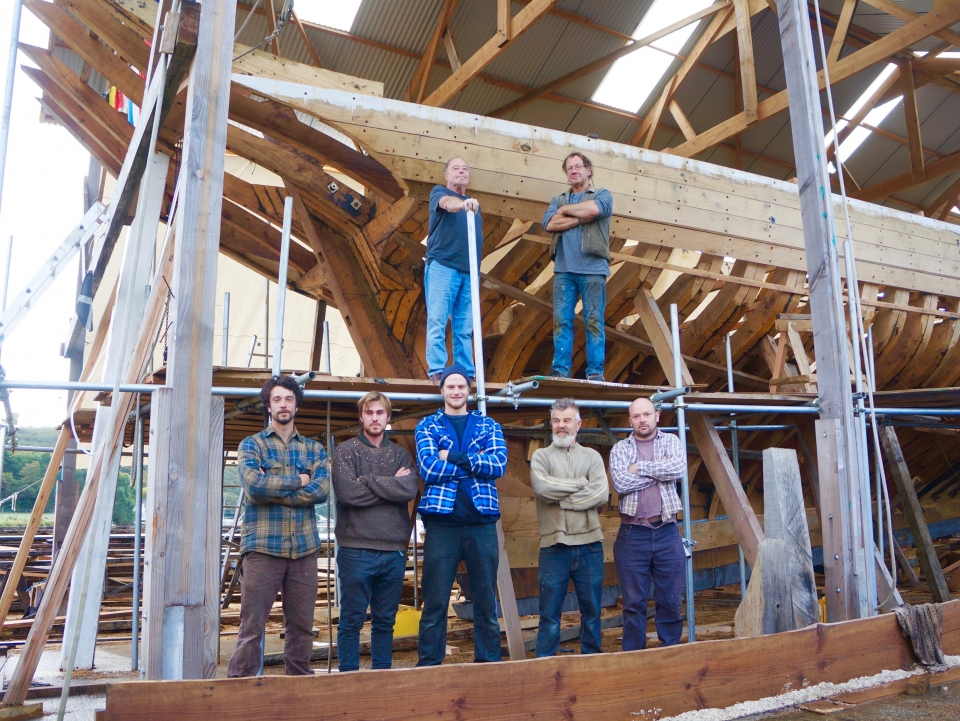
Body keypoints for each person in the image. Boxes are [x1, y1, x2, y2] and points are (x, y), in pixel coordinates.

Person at [227, 376, 328, 677]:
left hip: (304, 550)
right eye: (277, 399)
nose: (283, 404)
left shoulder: (314, 449)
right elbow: (254, 487)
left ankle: (298, 687)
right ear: (268, 406)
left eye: (288, 399)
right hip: (263, 548)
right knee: (252, 626)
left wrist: (275, 492)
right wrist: (299, 481)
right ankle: (241, 688)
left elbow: (322, 491)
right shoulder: (251, 445)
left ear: (296, 404)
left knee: (301, 626)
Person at [414, 364, 507, 665]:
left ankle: (488, 663)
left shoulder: (489, 425)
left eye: (461, 386)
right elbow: (428, 469)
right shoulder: (427, 425)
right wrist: (474, 464)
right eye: (450, 386)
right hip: (443, 524)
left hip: (481, 522)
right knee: (436, 601)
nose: (456, 391)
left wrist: (454, 457)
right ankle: (429, 665)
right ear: (442, 390)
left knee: (485, 602)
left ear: (470, 390)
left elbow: (499, 466)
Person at [332, 391, 419, 672]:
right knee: (351, 619)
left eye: (380, 413)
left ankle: (382, 676)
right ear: (361, 417)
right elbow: (348, 494)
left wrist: (367, 481)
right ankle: (348, 679)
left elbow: (408, 489)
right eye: (369, 413)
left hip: (393, 550)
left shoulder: (400, 454)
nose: (374, 418)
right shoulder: (346, 451)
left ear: (388, 417)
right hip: (356, 549)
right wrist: (388, 485)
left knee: (385, 620)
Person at [530, 398, 609, 657]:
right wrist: (579, 484)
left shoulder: (592, 456)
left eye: (566, 420)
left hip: (590, 546)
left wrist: (561, 499)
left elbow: (601, 494)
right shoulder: (540, 456)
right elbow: (542, 489)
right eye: (556, 420)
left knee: (593, 612)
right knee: (549, 615)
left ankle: (592, 665)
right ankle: (545, 667)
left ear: (578, 424)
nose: (561, 425)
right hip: (554, 547)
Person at [609, 397, 687, 651]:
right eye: (636, 416)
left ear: (657, 416)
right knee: (633, 602)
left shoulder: (671, 442)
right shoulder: (620, 449)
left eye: (647, 414)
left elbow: (678, 469)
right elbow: (621, 483)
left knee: (671, 597)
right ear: (629, 420)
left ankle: (671, 649)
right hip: (632, 534)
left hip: (667, 531)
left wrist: (639, 468)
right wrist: (658, 473)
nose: (642, 419)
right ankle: (634, 656)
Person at [543, 152, 613, 382]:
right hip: (564, 270)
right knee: (561, 321)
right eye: (570, 168)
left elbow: (595, 210)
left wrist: (567, 212)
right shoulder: (558, 200)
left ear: (588, 170)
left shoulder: (602, 194)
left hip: (594, 270)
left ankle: (595, 372)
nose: (574, 171)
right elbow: (550, 224)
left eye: (578, 167)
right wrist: (581, 217)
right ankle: (561, 370)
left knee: (593, 322)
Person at [425, 157, 484, 383]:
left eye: (465, 168)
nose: (461, 171)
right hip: (443, 266)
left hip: (469, 272)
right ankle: (437, 370)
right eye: (456, 168)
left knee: (464, 326)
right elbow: (447, 203)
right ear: (447, 176)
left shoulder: (474, 204)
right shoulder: (439, 193)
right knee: (438, 320)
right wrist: (461, 205)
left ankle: (465, 372)